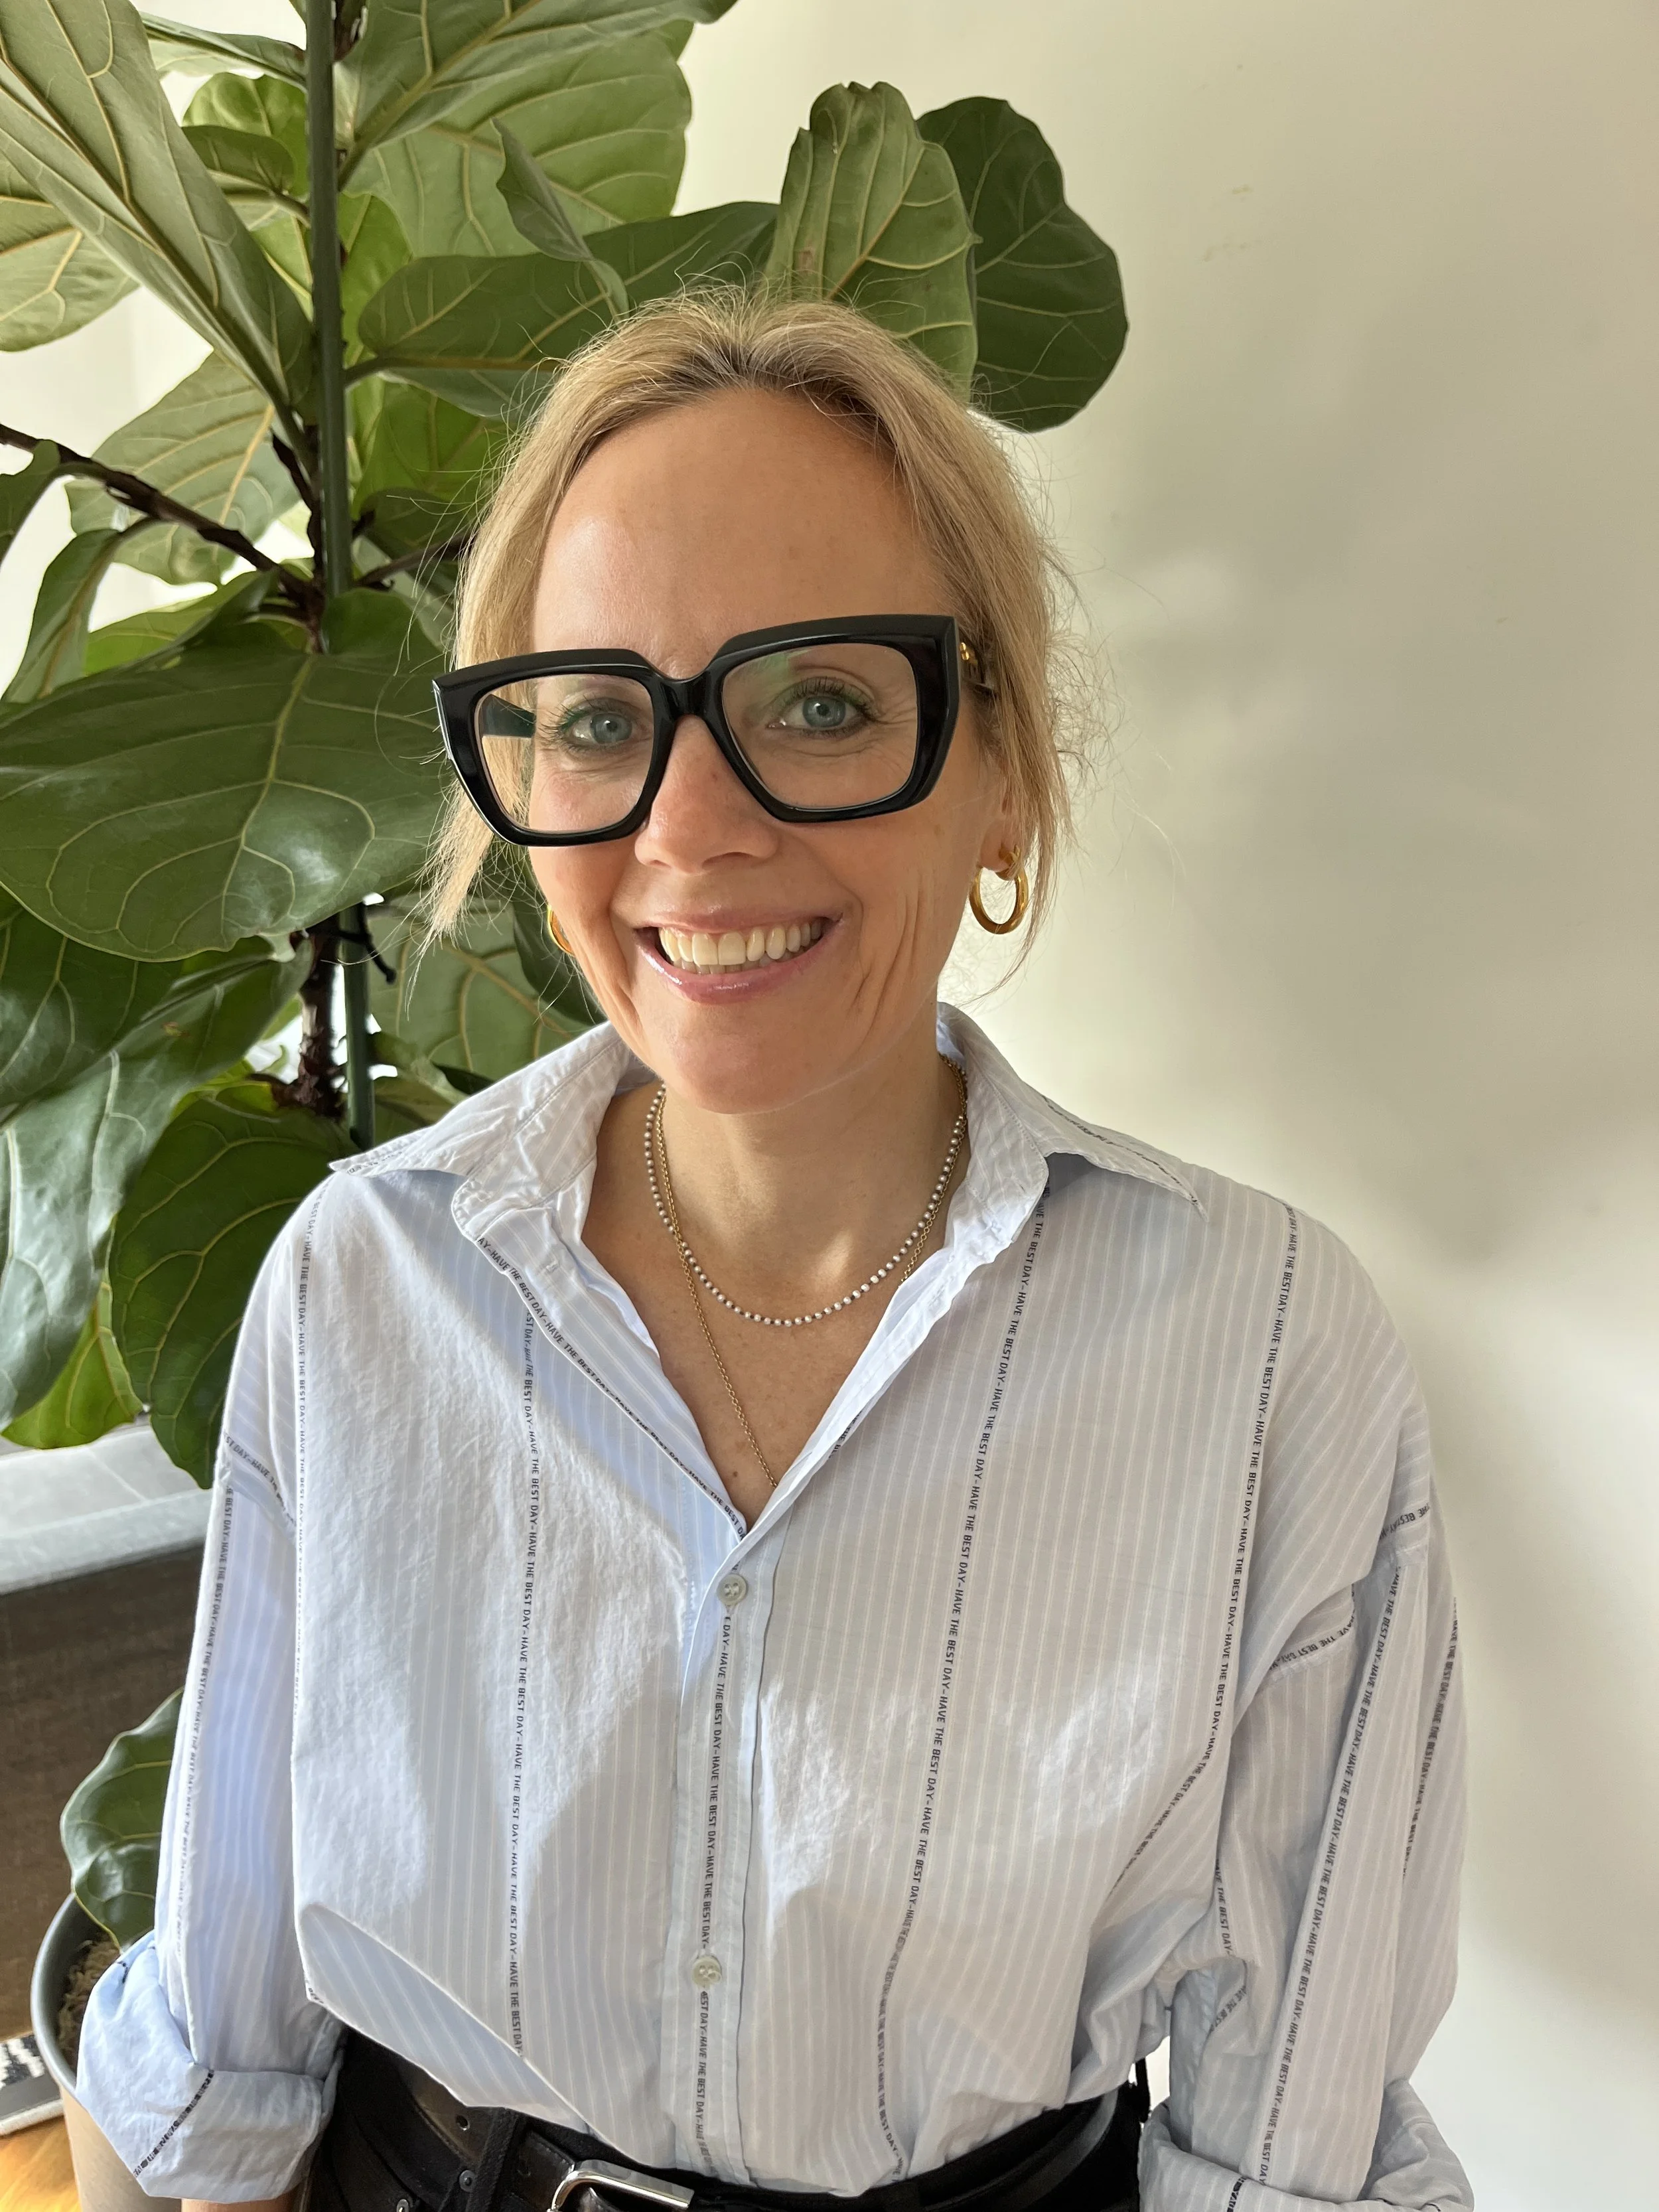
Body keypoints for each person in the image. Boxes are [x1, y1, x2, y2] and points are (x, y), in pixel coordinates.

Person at [77, 293, 1473, 2212]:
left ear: (998, 767)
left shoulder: (1255, 1351)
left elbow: (1285, 2151)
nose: (690, 824)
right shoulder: (363, 1291)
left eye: (820, 698)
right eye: (591, 718)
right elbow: (219, 2069)